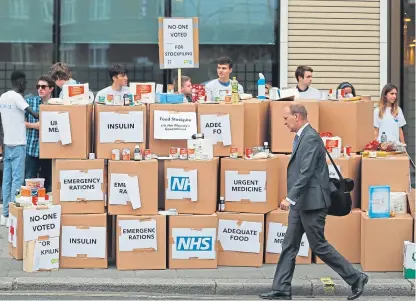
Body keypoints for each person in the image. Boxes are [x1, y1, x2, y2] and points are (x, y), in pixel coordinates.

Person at [259, 104, 368, 301]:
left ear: (297, 116)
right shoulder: (302, 136)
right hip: (302, 202)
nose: (284, 123)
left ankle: (356, 278)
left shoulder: (310, 137)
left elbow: (306, 172)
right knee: (289, 245)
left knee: (318, 246)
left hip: (312, 202)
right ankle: (281, 288)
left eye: (286, 118)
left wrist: (290, 197)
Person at [0, 71, 39, 227]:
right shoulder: (18, 98)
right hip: (19, 144)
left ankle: (4, 214)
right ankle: (12, 214)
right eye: (25, 83)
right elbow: (34, 115)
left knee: (6, 179)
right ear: (21, 82)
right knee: (17, 179)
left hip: (7, 143)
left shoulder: (3, 97)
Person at [25, 75, 55, 193]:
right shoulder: (29, 102)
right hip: (32, 148)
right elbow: (19, 122)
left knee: (48, 184)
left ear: (51, 88)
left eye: (43, 86)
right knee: (29, 182)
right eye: (38, 86)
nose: (40, 89)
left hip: (49, 150)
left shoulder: (56, 104)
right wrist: (35, 126)